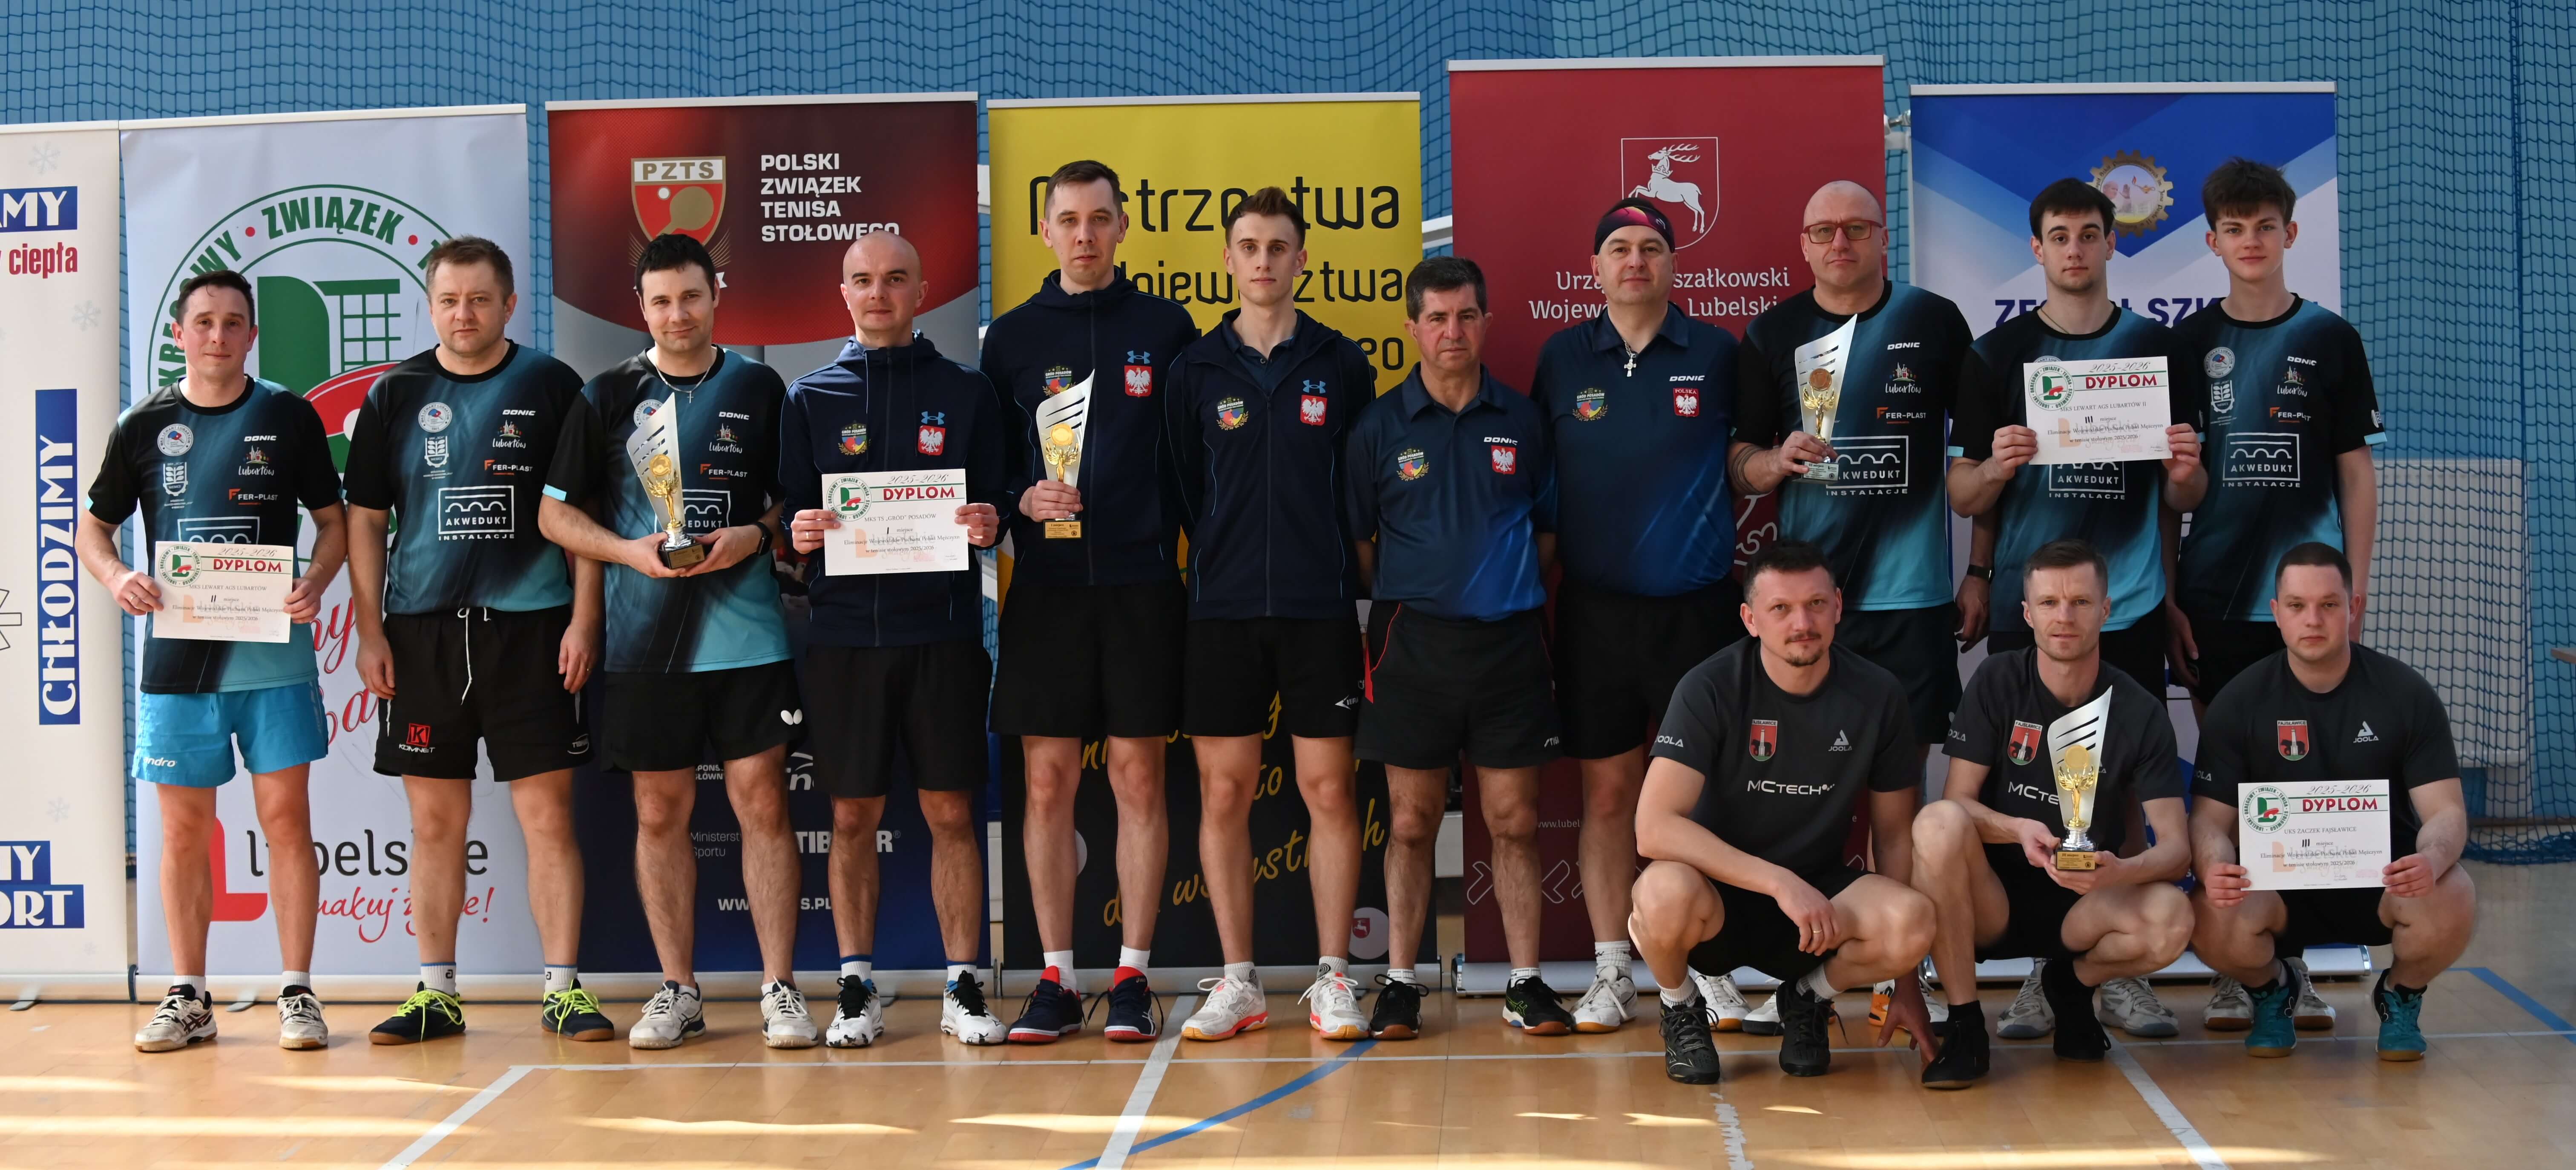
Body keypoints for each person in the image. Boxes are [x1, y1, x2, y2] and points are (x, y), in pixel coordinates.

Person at [538, 233, 811, 1049]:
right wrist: (628, 554)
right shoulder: (606, 394)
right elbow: (554, 514)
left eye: (691, 296)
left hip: (749, 639)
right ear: (641, 306)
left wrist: (754, 536)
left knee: (763, 804)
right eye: (660, 301)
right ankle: (678, 990)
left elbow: (795, 502)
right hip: (643, 647)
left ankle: (780, 989)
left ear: (716, 294)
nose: (677, 314)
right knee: (659, 811)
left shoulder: (759, 387)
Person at [1949, 178, 2204, 1041]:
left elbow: (2185, 495)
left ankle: (2112, 969)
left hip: (2126, 604)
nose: (2074, 249)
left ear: (2109, 243)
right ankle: (2038, 964)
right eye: (2058, 235)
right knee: (2029, 785)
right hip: (2032, 607)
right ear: (2037, 248)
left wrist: (2183, 473)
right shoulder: (1997, 354)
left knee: (2122, 786)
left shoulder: (2155, 350)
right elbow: (1963, 492)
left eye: (2089, 234)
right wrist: (1996, 468)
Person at [340, 237, 607, 1045]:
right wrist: (369, 630)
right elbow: (366, 522)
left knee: (547, 818)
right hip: (421, 634)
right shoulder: (395, 394)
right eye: (450, 300)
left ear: (509, 304)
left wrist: (585, 618)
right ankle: (436, 994)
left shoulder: (552, 385)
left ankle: (563, 990)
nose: (465, 314)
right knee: (434, 824)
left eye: (480, 300)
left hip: (531, 630)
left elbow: (583, 516)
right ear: (431, 307)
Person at [1728, 179, 1978, 1036]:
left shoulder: (1934, 321)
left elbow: (1975, 456)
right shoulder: (1772, 333)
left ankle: (1899, 979)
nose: (1840, 243)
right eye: (1824, 231)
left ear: (1881, 236)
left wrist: (1979, 569)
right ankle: (1810, 972)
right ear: (1803, 244)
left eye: (1856, 229)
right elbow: (1739, 463)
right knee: (1805, 798)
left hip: (1911, 601)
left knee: (1896, 807)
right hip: (1808, 613)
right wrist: (1775, 462)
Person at [82, 270, 346, 1052]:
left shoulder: (288, 416)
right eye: (204, 322)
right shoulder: (143, 424)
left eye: (234, 323)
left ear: (252, 336)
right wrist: (117, 576)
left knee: (286, 820)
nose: (218, 336)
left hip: (273, 656)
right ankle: (189, 995)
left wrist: (315, 580)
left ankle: (297, 991)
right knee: (182, 831)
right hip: (178, 664)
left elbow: (333, 524)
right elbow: (91, 530)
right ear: (179, 333)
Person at [983, 160, 1202, 1044]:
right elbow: (990, 467)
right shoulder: (1010, 338)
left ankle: (1132, 975)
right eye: (1068, 219)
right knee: (1045, 782)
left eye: (1099, 218)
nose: (1084, 234)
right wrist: (1019, 497)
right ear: (1045, 231)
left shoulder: (1166, 327)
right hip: (1046, 591)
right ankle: (1055, 978)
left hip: (1143, 586)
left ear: (1121, 227)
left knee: (1138, 777)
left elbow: (1192, 459)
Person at [2169, 159, 2386, 1033]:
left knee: (2304, 779)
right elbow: (2172, 487)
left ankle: (2290, 960)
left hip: (2306, 605)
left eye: (2265, 226)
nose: (2251, 241)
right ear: (2211, 241)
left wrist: (2353, 584)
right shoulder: (2188, 345)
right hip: (2213, 597)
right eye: (2234, 228)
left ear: (2290, 233)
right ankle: (2240, 964)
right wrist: (2168, 589)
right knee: (2231, 781)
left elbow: (2356, 472)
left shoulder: (2330, 337)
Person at [1162, 188, 1378, 1043]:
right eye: (1248, 246)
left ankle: (1333, 977)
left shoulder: (1340, 362)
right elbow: (1186, 488)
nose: (1262, 260)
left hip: (1318, 607)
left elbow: (1358, 490)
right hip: (1219, 611)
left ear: (1301, 259)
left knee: (1329, 790)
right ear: (1228, 259)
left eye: (1277, 246)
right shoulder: (1193, 369)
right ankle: (1240, 981)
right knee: (1224, 792)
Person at [782, 232, 1009, 1047]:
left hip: (942, 636)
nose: (878, 293)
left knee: (951, 810)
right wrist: (798, 531)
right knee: (852, 815)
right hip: (844, 641)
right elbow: (787, 519)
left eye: (894, 278)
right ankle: (855, 986)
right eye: (863, 280)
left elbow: (996, 505)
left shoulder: (966, 391)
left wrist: (989, 520)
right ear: (843, 292)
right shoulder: (810, 396)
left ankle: (962, 986)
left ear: (921, 290)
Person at [1528, 198, 1745, 1034]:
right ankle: (1612, 968)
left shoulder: (1717, 353)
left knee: (1700, 797)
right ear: (1594, 268)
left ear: (1673, 264)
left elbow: (1745, 459)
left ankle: (1711, 965)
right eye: (1618, 248)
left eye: (1651, 248)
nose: (1635, 261)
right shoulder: (1561, 358)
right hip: (1596, 613)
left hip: (1699, 611)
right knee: (1609, 793)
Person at [1347, 256, 1569, 1040]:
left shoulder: (1524, 419)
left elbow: (1548, 534)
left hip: (1510, 645)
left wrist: (1495, 590)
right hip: (1412, 646)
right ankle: (1402, 983)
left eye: (1466, 316)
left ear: (1486, 322)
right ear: (1412, 327)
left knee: (1513, 820)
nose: (1452, 332)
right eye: (1437, 318)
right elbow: (1363, 547)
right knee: (1410, 822)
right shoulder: (1378, 426)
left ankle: (1524, 982)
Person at [1627, 540, 1938, 1085]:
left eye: (1816, 604)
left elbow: (1892, 838)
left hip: (1815, 911)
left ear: (1838, 606)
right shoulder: (1710, 685)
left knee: (1913, 920)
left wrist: (1904, 984)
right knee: (1660, 892)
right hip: (1719, 899)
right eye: (1781, 609)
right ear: (1751, 619)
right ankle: (1680, 1007)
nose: (1802, 623)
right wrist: (1778, 881)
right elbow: (1652, 828)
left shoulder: (1878, 693)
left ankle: (1808, 998)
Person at [1910, 540, 2193, 1088]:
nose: (2064, 616)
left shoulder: (2139, 709)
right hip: (1993, 900)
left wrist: (2120, 871)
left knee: (2172, 919)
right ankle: (1967, 1026)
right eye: (2049, 603)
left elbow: (2177, 849)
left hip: (2087, 901)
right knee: (1935, 822)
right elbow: (1957, 801)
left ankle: (2072, 984)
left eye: (2081, 602)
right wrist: (2018, 829)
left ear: (2106, 610)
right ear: (2027, 613)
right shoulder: (1997, 680)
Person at [2188, 543, 2475, 1062]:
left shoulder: (2405, 694)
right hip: (2275, 888)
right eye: (2297, 606)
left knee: (2455, 892)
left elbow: (2447, 812)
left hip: (2382, 884)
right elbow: (2209, 820)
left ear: (2354, 606)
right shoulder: (2239, 701)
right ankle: (2272, 991)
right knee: (2209, 911)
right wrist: (2214, 866)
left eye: (2329, 605)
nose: (2313, 620)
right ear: (2276, 613)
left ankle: (2401, 995)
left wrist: (2431, 860)